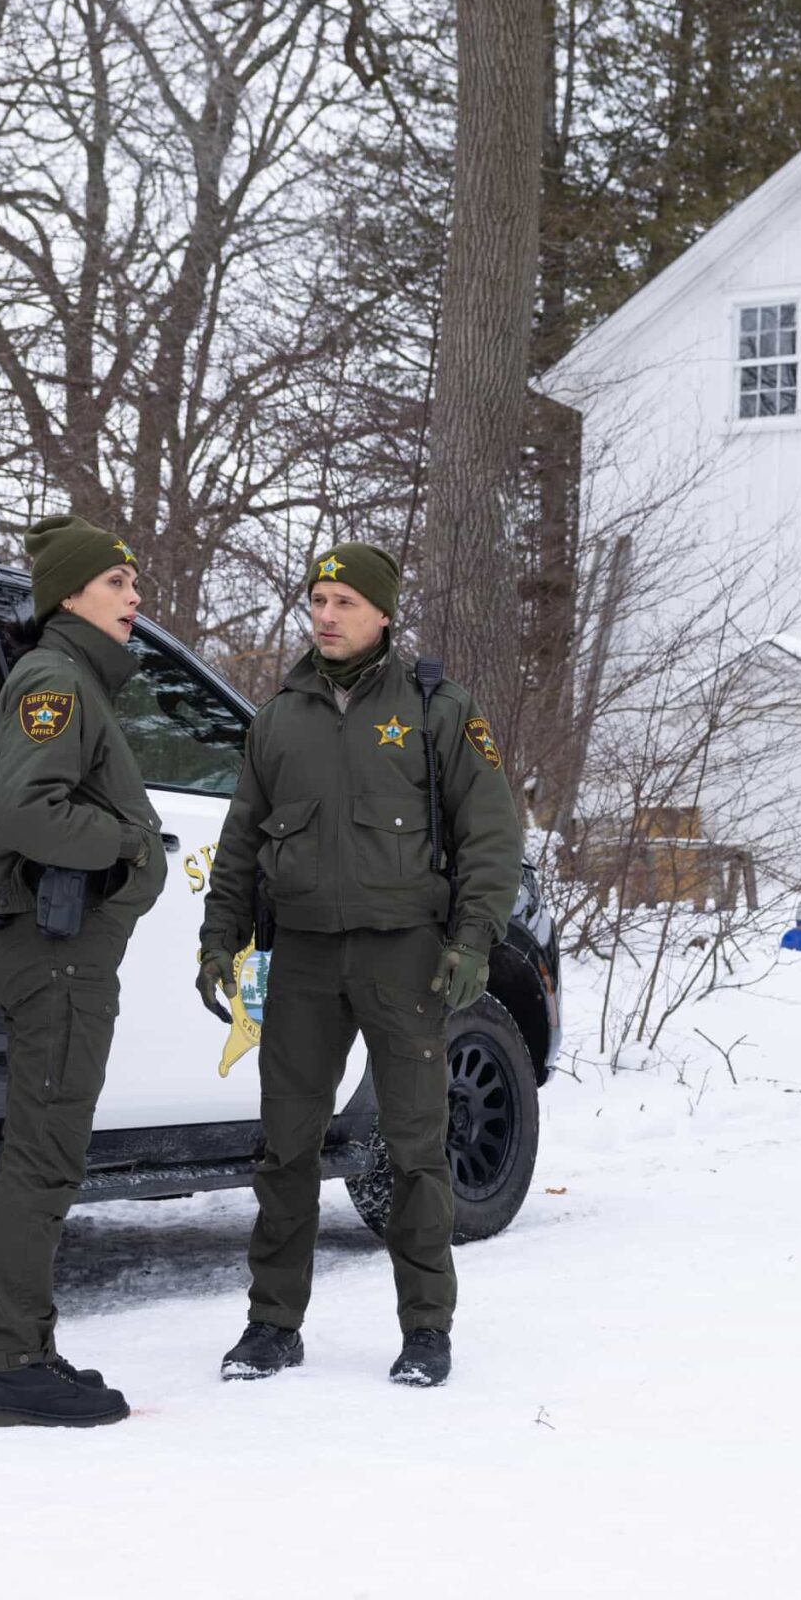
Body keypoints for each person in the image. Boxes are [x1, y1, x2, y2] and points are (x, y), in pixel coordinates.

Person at [196, 542, 522, 1387]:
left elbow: (491, 831)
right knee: (286, 1148)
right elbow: (239, 845)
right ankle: (272, 1324)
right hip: (301, 956)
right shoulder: (278, 720)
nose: (327, 615)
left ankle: (426, 1331)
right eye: (318, 600)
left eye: (344, 601)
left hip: (404, 955)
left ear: (381, 613)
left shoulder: (435, 709)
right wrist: (218, 940)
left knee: (415, 1149)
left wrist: (475, 939)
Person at [0, 516, 167, 1427]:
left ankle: (33, 1349)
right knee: (43, 1156)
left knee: (51, 1154)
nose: (136, 599)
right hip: (56, 957)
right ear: (73, 596)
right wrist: (129, 842)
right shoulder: (54, 680)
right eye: (120, 583)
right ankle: (14, 1368)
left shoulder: (77, 681)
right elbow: (26, 813)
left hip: (69, 958)